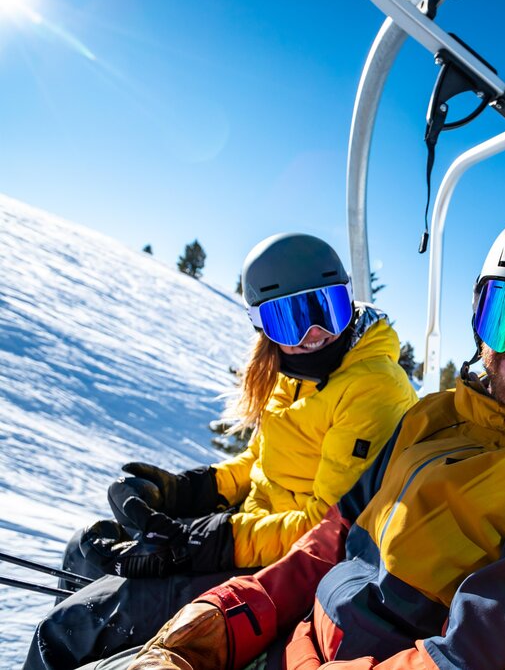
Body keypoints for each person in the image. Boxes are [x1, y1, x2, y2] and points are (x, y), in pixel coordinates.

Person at [99, 210, 505, 670]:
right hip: (296, 640)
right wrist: (232, 613)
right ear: (479, 317)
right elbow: (334, 535)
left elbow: (473, 653)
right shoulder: (434, 415)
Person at [24, 232, 418, 670]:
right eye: (290, 320)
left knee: (69, 628)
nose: (315, 335)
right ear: (262, 326)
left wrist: (203, 541)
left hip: (292, 571)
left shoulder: (372, 389)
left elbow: (325, 529)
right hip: (253, 537)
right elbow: (258, 463)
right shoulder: (291, 376)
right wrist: (184, 492)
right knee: (86, 549)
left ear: (349, 301)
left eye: (328, 309)